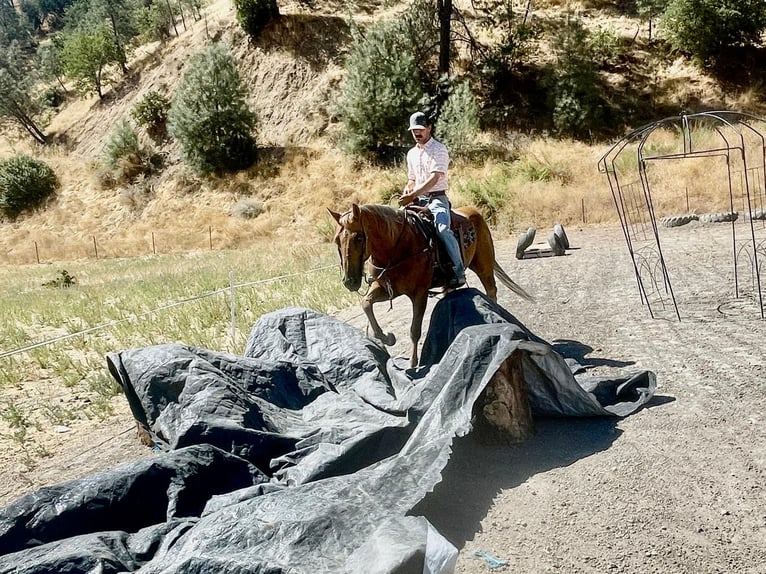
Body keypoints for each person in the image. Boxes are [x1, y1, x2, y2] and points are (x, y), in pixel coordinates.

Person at [398, 111, 466, 288]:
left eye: (420, 129)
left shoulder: (439, 149)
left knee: (443, 229)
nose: (417, 133)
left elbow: (435, 178)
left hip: (437, 198)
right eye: (414, 131)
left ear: (429, 128)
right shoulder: (411, 154)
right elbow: (412, 178)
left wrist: (413, 194)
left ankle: (459, 271)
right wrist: (409, 188)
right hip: (417, 199)